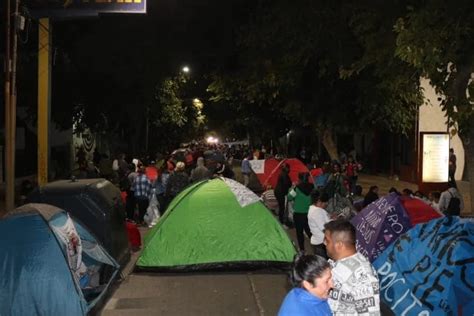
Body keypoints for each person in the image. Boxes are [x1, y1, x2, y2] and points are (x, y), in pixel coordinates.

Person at [324, 219, 380, 315]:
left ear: (339, 245)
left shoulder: (364, 277)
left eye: (327, 241)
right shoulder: (334, 262)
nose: (324, 243)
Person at [288, 172, 313, 253]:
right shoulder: (312, 187)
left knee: (299, 232)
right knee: (309, 231)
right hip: (309, 213)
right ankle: (316, 246)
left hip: (298, 214)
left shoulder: (296, 188)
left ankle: (302, 249)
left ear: (300, 179)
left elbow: (289, 197)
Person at [308, 191, 330, 258]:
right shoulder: (317, 212)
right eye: (325, 202)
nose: (327, 203)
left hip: (318, 241)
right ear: (319, 201)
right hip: (321, 243)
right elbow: (324, 229)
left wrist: (329, 217)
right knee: (324, 265)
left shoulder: (313, 209)